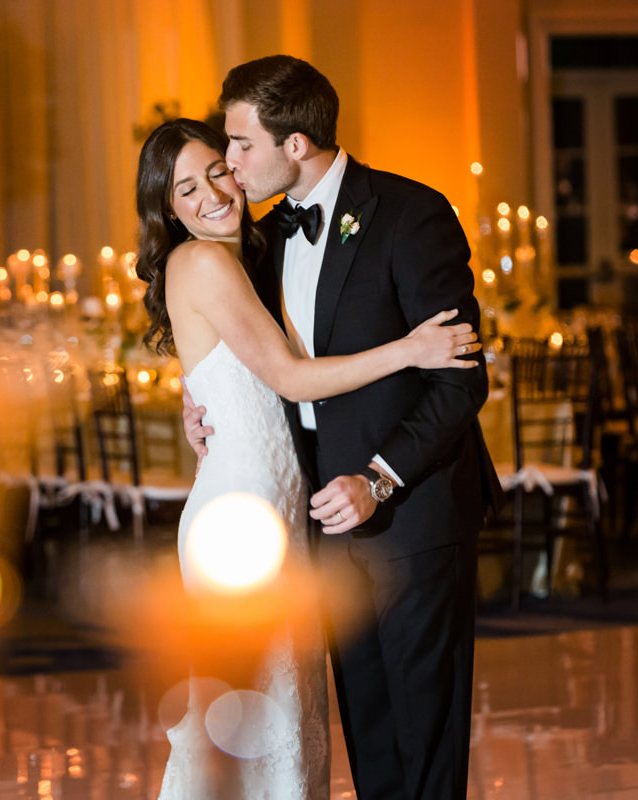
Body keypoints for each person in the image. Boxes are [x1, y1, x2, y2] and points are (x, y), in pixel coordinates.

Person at [183, 56, 503, 799]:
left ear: (295, 144)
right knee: (369, 734)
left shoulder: (411, 214)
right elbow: (249, 357)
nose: (230, 164)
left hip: (413, 514)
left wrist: (378, 479)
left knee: (426, 734)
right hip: (319, 523)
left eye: (241, 144)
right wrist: (200, 405)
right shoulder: (263, 239)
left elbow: (461, 381)